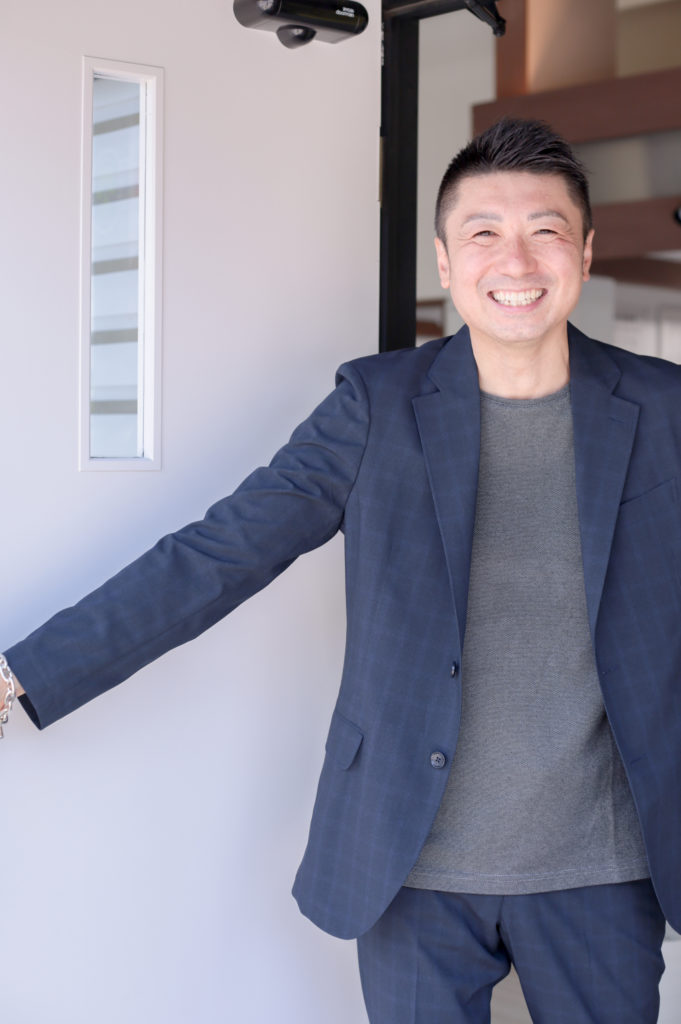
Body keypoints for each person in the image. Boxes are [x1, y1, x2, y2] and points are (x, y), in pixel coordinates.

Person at [2, 118, 679, 1022]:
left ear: (584, 254)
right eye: (483, 232)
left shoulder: (664, 411)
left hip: (603, 867)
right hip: (408, 863)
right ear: (445, 260)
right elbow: (217, 555)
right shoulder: (376, 406)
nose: (515, 261)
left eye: (544, 231)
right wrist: (18, 675)